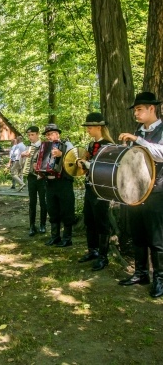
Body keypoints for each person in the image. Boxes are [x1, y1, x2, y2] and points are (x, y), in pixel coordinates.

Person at [118, 92, 163, 298]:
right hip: (135, 191)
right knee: (138, 234)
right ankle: (141, 273)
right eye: (135, 109)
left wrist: (137, 139)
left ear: (152, 109)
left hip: (157, 192)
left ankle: (160, 280)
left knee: (156, 238)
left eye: (139, 109)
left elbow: (161, 153)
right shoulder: (139, 131)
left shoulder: (161, 129)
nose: (136, 113)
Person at [77, 113, 114, 270]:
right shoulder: (92, 145)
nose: (88, 131)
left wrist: (87, 164)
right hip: (89, 187)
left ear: (99, 127)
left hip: (101, 189)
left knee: (101, 221)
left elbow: (106, 167)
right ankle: (93, 250)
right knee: (89, 219)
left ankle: (103, 257)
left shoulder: (109, 146)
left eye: (90, 128)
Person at [41, 124, 75, 247]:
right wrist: (39, 170)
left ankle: (67, 238)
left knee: (67, 209)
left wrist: (62, 154)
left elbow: (74, 159)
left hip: (64, 182)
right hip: (50, 183)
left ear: (57, 134)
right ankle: (55, 236)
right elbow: (42, 163)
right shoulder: (44, 147)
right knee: (52, 209)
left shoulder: (67, 145)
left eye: (51, 134)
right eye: (47, 135)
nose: (49, 137)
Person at [21, 126, 47, 236]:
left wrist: (40, 168)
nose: (30, 137)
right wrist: (22, 156)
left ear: (37, 134)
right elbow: (22, 165)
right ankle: (32, 226)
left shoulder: (45, 146)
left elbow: (48, 161)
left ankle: (42, 225)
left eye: (32, 134)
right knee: (32, 202)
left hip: (42, 178)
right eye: (29, 135)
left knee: (43, 202)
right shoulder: (28, 148)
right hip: (31, 177)